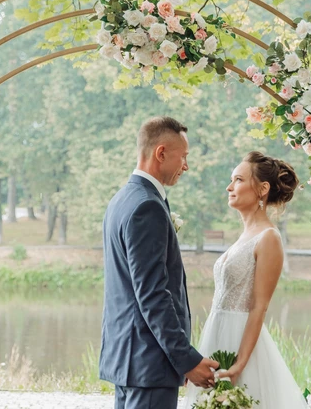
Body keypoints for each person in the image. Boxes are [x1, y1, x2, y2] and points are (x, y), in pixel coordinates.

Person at [99, 116, 219, 409]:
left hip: (131, 361)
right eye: (184, 157)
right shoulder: (147, 206)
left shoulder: (122, 199)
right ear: (161, 153)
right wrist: (186, 360)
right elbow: (153, 294)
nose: (186, 166)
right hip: (148, 364)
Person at [182, 151, 309, 409]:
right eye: (231, 180)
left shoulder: (269, 238)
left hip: (239, 340)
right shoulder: (244, 236)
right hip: (216, 333)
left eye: (238, 180)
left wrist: (240, 364)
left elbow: (258, 307)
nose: (229, 187)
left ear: (262, 189)